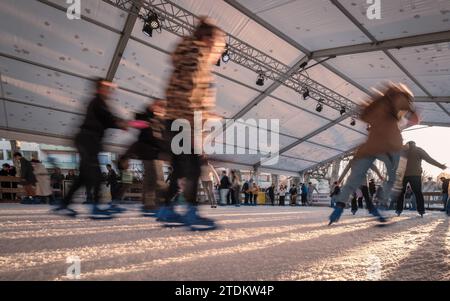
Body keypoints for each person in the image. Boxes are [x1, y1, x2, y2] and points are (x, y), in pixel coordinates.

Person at [156, 18, 226, 230]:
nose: (219, 52)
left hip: (175, 118)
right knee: (194, 167)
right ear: (208, 40)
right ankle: (191, 213)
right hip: (183, 120)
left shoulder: (188, 54)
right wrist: (201, 115)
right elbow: (189, 91)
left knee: (179, 169)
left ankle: (166, 210)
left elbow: (184, 91)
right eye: (219, 45)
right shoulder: (196, 56)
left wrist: (205, 113)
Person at [329, 83, 419, 225]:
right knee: (396, 178)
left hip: (370, 145)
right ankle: (381, 204)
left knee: (353, 180)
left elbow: (363, 114)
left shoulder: (375, 104)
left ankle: (339, 208)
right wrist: (409, 112)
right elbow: (414, 119)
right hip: (390, 144)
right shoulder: (398, 97)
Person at [54, 79, 128, 218]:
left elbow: (107, 119)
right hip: (88, 141)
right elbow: (107, 118)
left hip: (87, 141)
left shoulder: (100, 103)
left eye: (110, 88)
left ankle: (64, 205)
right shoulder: (97, 102)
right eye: (106, 87)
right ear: (99, 88)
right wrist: (120, 123)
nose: (109, 90)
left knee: (82, 177)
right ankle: (96, 208)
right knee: (97, 174)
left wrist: (120, 123)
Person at [395, 141, 446, 217]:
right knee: (418, 192)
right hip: (415, 175)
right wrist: (440, 166)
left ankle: (399, 210)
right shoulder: (419, 150)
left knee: (401, 192)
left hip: (403, 175)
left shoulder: (404, 151)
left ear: (408, 144)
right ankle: (421, 210)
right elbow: (429, 159)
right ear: (414, 144)